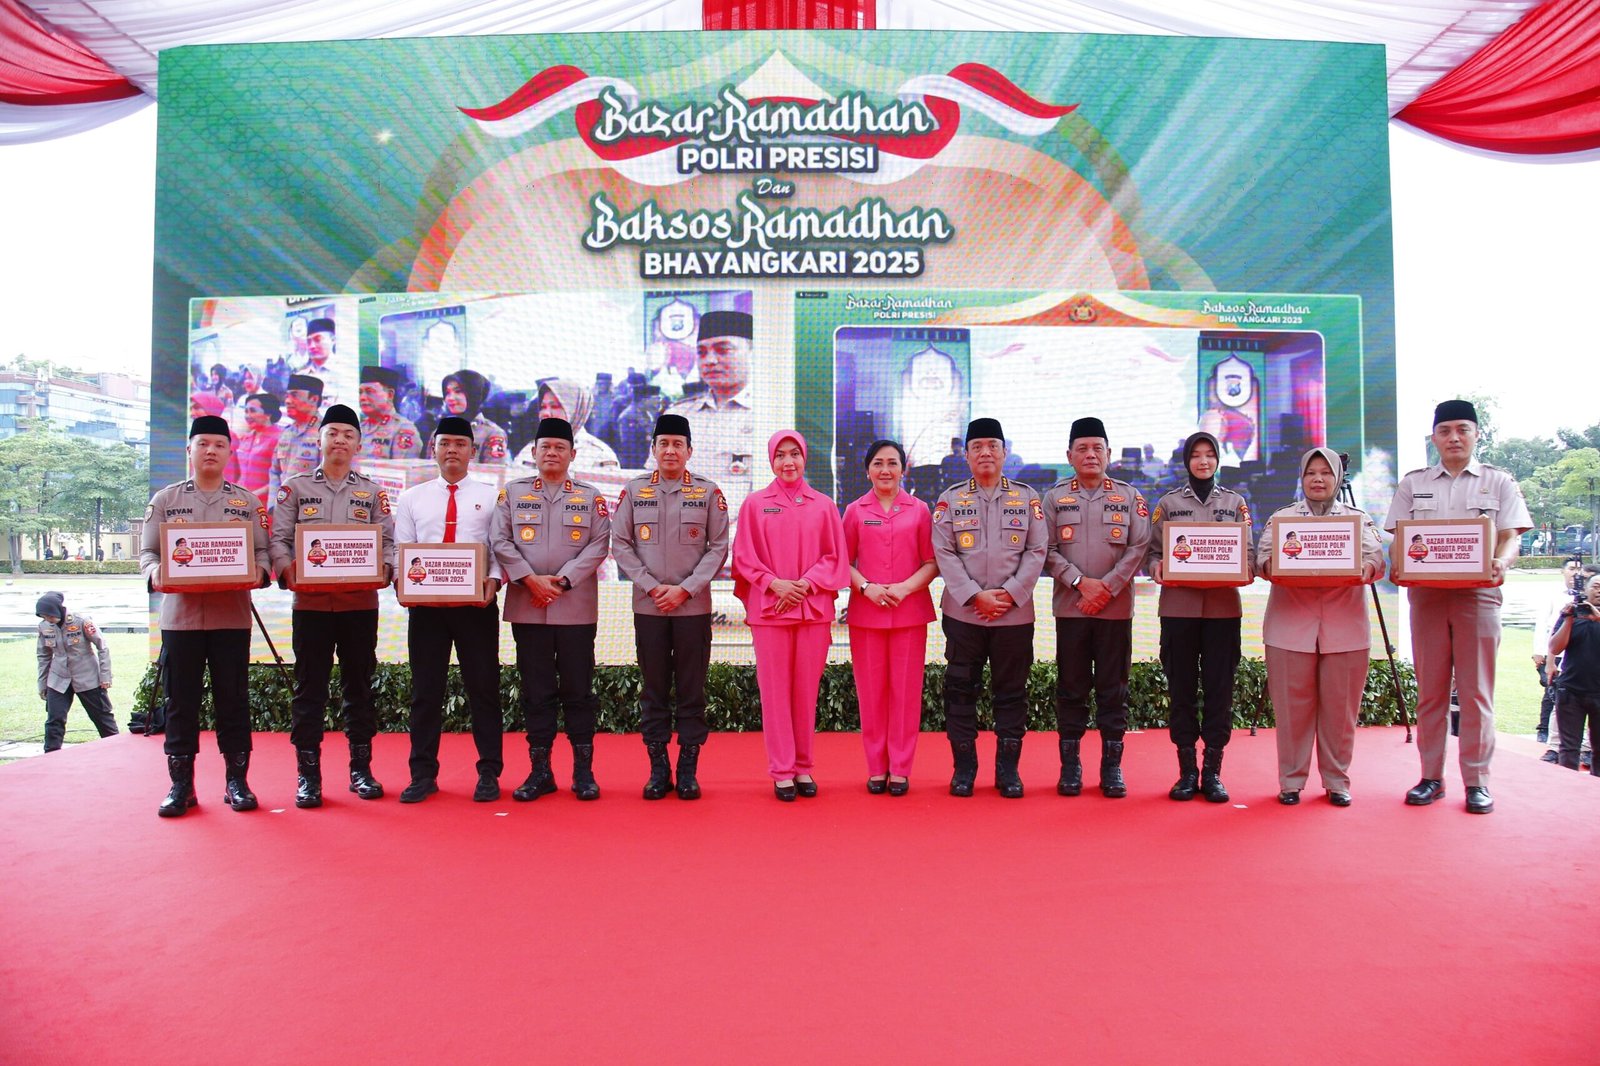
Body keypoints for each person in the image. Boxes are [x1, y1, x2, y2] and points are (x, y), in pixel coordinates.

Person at [1383, 399, 1532, 814]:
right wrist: (1398, 564)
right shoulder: (1414, 483)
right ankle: (1431, 777)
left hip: (1478, 596)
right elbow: (1398, 538)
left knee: (1476, 693)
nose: (1454, 437)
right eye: (1445, 430)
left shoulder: (1498, 481)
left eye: (1462, 429)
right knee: (1430, 692)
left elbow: (1511, 535)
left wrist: (1503, 561)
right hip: (1428, 597)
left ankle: (1477, 782)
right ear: (1433, 437)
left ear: (1476, 434)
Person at [141, 414, 273, 816]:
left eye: (219, 444)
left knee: (233, 700)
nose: (211, 451)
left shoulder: (247, 502)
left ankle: (237, 782)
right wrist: (155, 573)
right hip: (180, 620)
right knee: (180, 703)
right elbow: (148, 554)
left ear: (230, 452)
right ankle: (181, 785)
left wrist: (260, 572)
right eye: (203, 444)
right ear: (190, 450)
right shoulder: (166, 500)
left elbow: (263, 552)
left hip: (231, 618)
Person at [269, 404, 396, 808]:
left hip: (360, 606)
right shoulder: (295, 488)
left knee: (359, 687)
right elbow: (279, 540)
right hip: (311, 607)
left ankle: (361, 770)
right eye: (333, 433)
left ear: (358, 443)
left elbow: (388, 542)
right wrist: (287, 570)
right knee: (309, 690)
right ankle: (308, 776)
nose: (340, 440)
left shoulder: (373, 492)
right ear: (320, 439)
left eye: (348, 434)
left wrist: (387, 570)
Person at [610, 413, 731, 799]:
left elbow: (718, 548)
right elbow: (620, 544)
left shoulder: (708, 492)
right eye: (663, 443)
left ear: (689, 450)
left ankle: (688, 770)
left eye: (678, 444)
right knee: (654, 689)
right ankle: (658, 769)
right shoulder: (634, 490)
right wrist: (651, 586)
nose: (670, 450)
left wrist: (686, 589)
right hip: (650, 609)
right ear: (653, 449)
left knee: (692, 690)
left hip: (692, 609)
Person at [492, 417, 612, 801]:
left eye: (560, 447)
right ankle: (540, 772)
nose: (552, 453)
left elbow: (599, 544)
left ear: (573, 454)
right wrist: (531, 580)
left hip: (575, 608)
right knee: (536, 692)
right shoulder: (512, 493)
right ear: (534, 452)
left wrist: (561, 582)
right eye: (545, 447)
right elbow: (500, 540)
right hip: (528, 607)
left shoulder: (590, 496)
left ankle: (583, 773)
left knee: (578, 691)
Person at [1256, 448, 1384, 806]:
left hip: (1345, 627)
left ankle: (1337, 781)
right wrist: (1272, 566)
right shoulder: (1282, 519)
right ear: (1301, 477)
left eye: (1326, 473)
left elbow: (1376, 558)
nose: (1318, 479)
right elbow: (1261, 558)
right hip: (1289, 625)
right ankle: (1291, 781)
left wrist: (1366, 569)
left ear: (1338, 478)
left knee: (1341, 711)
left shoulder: (1357, 520)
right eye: (1311, 472)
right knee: (1290, 709)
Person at [930, 418, 1049, 797]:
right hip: (964, 613)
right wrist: (973, 594)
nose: (985, 453)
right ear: (966, 455)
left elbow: (1037, 550)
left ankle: (1008, 771)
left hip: (1014, 616)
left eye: (992, 446)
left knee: (1011, 692)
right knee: (960, 690)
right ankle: (964, 768)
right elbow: (943, 551)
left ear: (1004, 452)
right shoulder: (950, 499)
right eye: (977, 446)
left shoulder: (1027, 498)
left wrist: (1010, 593)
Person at [393, 416, 505, 804]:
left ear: (472, 451)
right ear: (434, 449)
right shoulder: (412, 497)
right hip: (427, 610)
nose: (452, 450)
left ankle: (489, 772)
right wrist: (401, 583)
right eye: (445, 443)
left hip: (476, 607)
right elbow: (402, 548)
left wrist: (494, 580)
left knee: (483, 689)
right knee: (425, 692)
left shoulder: (492, 496)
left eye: (460, 443)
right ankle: (422, 774)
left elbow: (499, 547)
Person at [733, 430, 848, 801]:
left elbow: (835, 556)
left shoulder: (824, 506)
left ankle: (803, 768)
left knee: (805, 692)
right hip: (770, 611)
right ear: (771, 460)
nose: (788, 461)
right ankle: (782, 771)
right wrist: (774, 584)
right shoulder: (754, 504)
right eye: (780, 454)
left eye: (794, 453)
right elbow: (744, 557)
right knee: (775, 693)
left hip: (812, 610)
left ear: (804, 457)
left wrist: (805, 585)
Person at [1043, 417, 1152, 799]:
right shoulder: (1054, 498)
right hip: (1071, 609)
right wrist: (1081, 583)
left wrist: (1108, 588)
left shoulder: (1129, 496)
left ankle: (1111, 767)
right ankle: (1070, 767)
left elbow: (1139, 546)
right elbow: (1045, 549)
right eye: (1083, 448)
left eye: (1097, 448)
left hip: (1114, 610)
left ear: (1109, 453)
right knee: (1071, 688)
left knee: (1113, 689)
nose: (1090, 454)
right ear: (1069, 455)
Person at [1149, 430, 1253, 803]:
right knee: (1181, 690)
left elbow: (1249, 553)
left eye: (1210, 454)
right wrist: (1157, 567)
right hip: (1178, 609)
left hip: (1223, 611)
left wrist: (1245, 569)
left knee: (1219, 691)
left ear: (1218, 460)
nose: (1203, 461)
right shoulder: (1168, 503)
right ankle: (1186, 771)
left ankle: (1212, 773)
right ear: (1186, 461)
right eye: (1196, 455)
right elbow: (1153, 553)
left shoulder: (1236, 502)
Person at [843, 439, 938, 795]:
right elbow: (842, 562)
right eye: (878, 464)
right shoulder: (854, 511)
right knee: (871, 693)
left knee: (905, 693)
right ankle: (875, 767)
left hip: (909, 612)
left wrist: (905, 588)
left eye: (892, 463)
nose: (885, 470)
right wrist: (866, 587)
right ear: (867, 470)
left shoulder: (919, 510)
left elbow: (932, 562)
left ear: (903, 469)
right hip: (866, 613)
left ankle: (900, 768)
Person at [664, 310, 756, 523]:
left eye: (723, 350)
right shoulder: (677, 416)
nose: (710, 360)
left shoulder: (772, 413)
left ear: (753, 352)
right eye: (702, 352)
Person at [35, 590, 117, 752]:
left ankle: (116, 750)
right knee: (54, 719)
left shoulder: (82, 621)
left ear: (58, 610)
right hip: (58, 678)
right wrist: (42, 684)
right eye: (44, 616)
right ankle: (50, 755)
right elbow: (43, 656)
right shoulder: (44, 627)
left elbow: (102, 647)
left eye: (50, 615)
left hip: (87, 676)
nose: (48, 619)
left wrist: (105, 676)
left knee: (102, 717)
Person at [1549, 568, 1600, 775]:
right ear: (1585, 590)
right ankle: (1567, 787)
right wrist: (1569, 619)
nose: (1599, 591)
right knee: (1568, 748)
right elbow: (1555, 647)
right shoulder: (1573, 613)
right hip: (1571, 690)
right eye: (1595, 586)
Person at [514, 378, 621, 471]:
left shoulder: (599, 455)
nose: (546, 413)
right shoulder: (529, 451)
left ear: (575, 410)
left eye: (555, 407)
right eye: (543, 407)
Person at [1532, 557, 1584, 746]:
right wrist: (1539, 652)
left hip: (1576, 653)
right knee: (1551, 692)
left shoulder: (1587, 593)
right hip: (1554, 652)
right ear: (1563, 571)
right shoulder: (1553, 594)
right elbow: (1542, 623)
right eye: (1571, 568)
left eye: (1578, 569)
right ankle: (1544, 730)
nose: (1575, 573)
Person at [268, 374, 325, 503]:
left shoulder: (326, 432)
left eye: (294, 395)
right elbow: (275, 472)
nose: (287, 401)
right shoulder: (286, 433)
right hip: (284, 508)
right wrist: (273, 505)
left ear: (314, 399)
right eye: (287, 396)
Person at [227, 393, 284, 510]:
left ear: (268, 414)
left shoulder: (280, 438)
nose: (247, 416)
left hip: (267, 506)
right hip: (242, 505)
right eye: (246, 411)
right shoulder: (245, 438)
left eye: (252, 411)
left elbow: (282, 478)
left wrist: (253, 496)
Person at [436, 369, 507, 463]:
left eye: (458, 391)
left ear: (473, 395)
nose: (451, 398)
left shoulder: (492, 433)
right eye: (447, 393)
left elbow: (495, 471)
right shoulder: (440, 430)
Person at [358, 365, 423, 461]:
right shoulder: (359, 428)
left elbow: (402, 469)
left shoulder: (403, 429)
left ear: (389, 395)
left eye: (369, 392)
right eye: (360, 392)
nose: (362, 397)